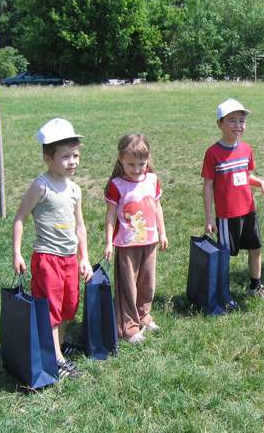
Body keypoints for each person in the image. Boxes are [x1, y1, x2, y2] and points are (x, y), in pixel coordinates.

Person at [12, 118, 93, 379]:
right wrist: (17, 252)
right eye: (65, 157)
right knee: (52, 308)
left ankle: (60, 343)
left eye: (76, 155)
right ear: (48, 159)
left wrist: (85, 258)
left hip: (70, 259)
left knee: (69, 304)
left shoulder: (75, 189)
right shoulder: (41, 186)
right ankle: (56, 358)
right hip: (48, 259)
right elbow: (20, 218)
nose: (72, 161)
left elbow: (80, 225)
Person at [202, 98, 264, 302]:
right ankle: (223, 294)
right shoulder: (213, 153)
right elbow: (208, 186)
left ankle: (255, 286)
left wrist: (261, 183)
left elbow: (245, 175)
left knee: (256, 248)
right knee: (224, 255)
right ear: (220, 124)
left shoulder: (246, 149)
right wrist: (209, 218)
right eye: (232, 121)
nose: (238, 126)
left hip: (248, 210)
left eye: (242, 121)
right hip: (227, 216)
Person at [104, 133, 168, 343]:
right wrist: (108, 242)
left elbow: (157, 207)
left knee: (147, 283)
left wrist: (163, 233)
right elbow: (110, 215)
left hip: (150, 241)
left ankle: (144, 316)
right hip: (126, 243)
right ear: (120, 159)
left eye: (141, 164)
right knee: (128, 286)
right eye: (131, 164)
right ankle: (128, 326)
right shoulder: (116, 184)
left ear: (148, 158)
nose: (137, 169)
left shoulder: (152, 180)